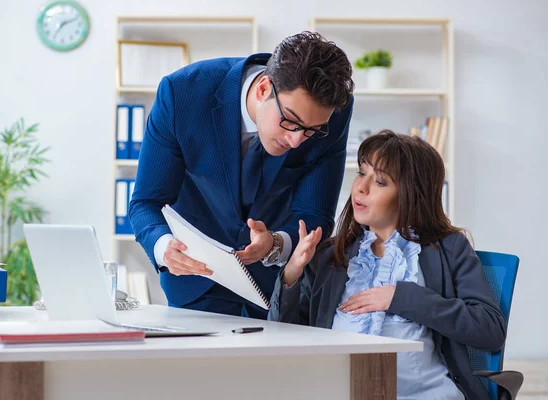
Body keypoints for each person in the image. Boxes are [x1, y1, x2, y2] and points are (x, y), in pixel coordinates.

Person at [129, 31, 355, 319]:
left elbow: (315, 215)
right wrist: (164, 248)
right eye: (290, 122)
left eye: (311, 131)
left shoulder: (333, 116)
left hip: (276, 292)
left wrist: (276, 244)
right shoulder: (182, 93)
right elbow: (145, 203)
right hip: (196, 282)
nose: (297, 141)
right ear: (263, 89)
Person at [268, 130, 506, 399]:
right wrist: (291, 274)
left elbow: (489, 331)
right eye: (361, 172)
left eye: (380, 181)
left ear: (410, 194)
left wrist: (401, 297)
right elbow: (286, 339)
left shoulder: (449, 248)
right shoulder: (330, 255)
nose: (361, 187)